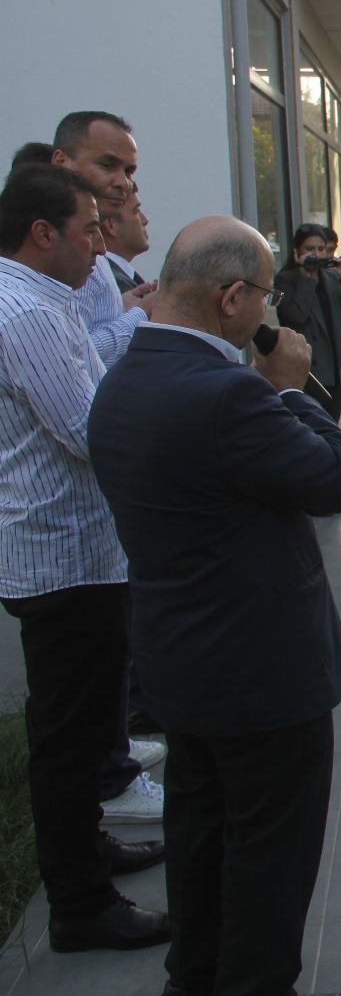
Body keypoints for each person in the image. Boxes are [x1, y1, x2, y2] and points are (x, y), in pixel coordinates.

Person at [88, 214, 341, 993]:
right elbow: (335, 480)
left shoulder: (125, 379)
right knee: (270, 855)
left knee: (202, 831)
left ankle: (196, 974)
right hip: (263, 674)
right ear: (231, 298)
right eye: (267, 299)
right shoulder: (227, 395)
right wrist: (292, 395)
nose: (270, 317)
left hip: (183, 662)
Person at [0, 164, 170, 954]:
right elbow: (82, 427)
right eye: (87, 230)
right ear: (43, 233)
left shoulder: (51, 300)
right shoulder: (27, 310)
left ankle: (87, 849)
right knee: (69, 740)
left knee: (90, 725)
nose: (100, 245)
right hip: (59, 559)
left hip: (82, 549)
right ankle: (78, 903)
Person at [50, 112, 150, 367]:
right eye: (107, 165)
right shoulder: (58, 248)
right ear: (61, 162)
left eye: (129, 171)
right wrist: (144, 312)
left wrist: (122, 309)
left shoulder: (95, 253)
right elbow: (74, 360)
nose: (122, 183)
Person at [273, 223, 341, 418]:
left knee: (332, 428)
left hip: (336, 369)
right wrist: (307, 280)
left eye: (321, 249)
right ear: (297, 252)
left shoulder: (332, 277)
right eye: (309, 249)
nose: (316, 254)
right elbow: (296, 315)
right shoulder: (286, 279)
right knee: (312, 428)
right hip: (308, 371)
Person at [101, 186, 150, 292]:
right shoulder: (114, 284)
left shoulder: (115, 277)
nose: (145, 220)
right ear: (111, 225)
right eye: (136, 211)